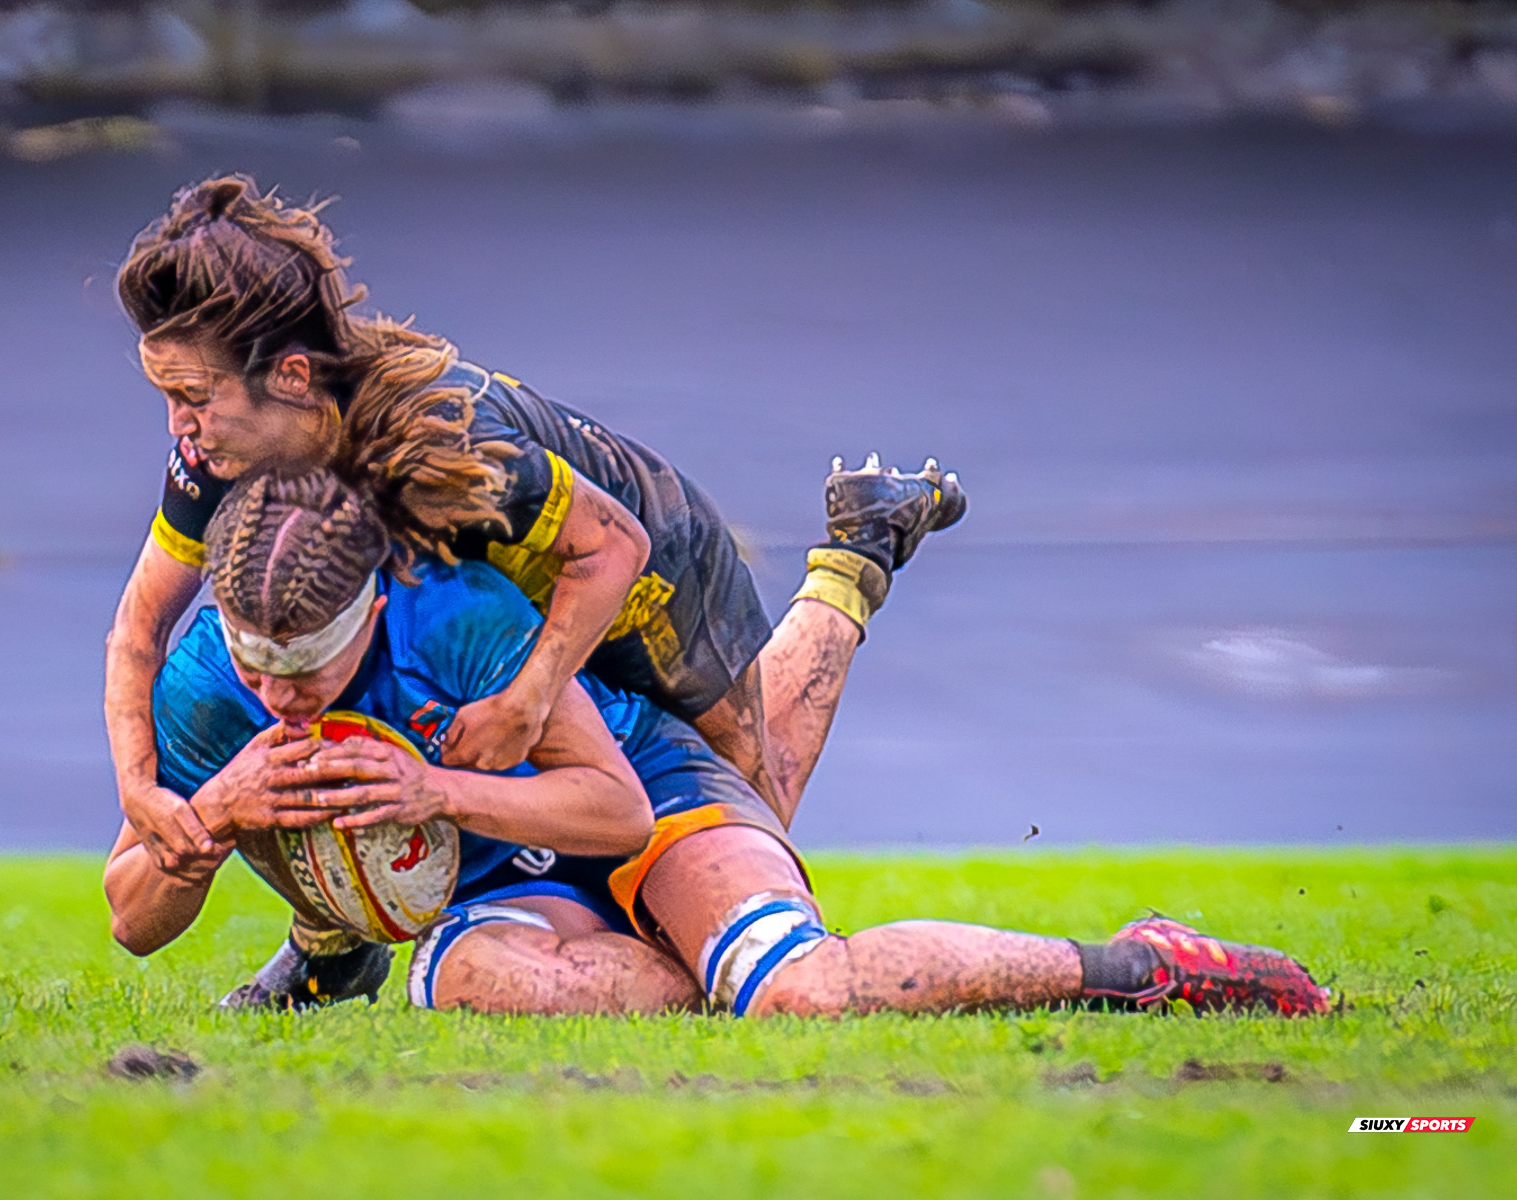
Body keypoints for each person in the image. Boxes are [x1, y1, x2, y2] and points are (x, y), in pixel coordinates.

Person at [113, 467, 1332, 1020]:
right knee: (465, 981)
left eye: (312, 663)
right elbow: (131, 918)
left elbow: (614, 814)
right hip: (505, 901)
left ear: (372, 603)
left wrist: (431, 784)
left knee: (796, 991)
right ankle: (852, 567)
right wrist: (210, 818)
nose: (282, 694)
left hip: (641, 787)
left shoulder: (456, 614)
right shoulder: (210, 686)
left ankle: (1140, 964)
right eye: (257, 661)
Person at [104, 175, 966, 887]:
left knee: (744, 817)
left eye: (191, 397)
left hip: (646, 569)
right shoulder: (221, 456)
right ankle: (331, 943)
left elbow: (614, 547)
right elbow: (139, 627)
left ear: (291, 377)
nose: (178, 427)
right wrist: (140, 790)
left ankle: (855, 557)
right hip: (529, 587)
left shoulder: (447, 440)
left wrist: (529, 698)